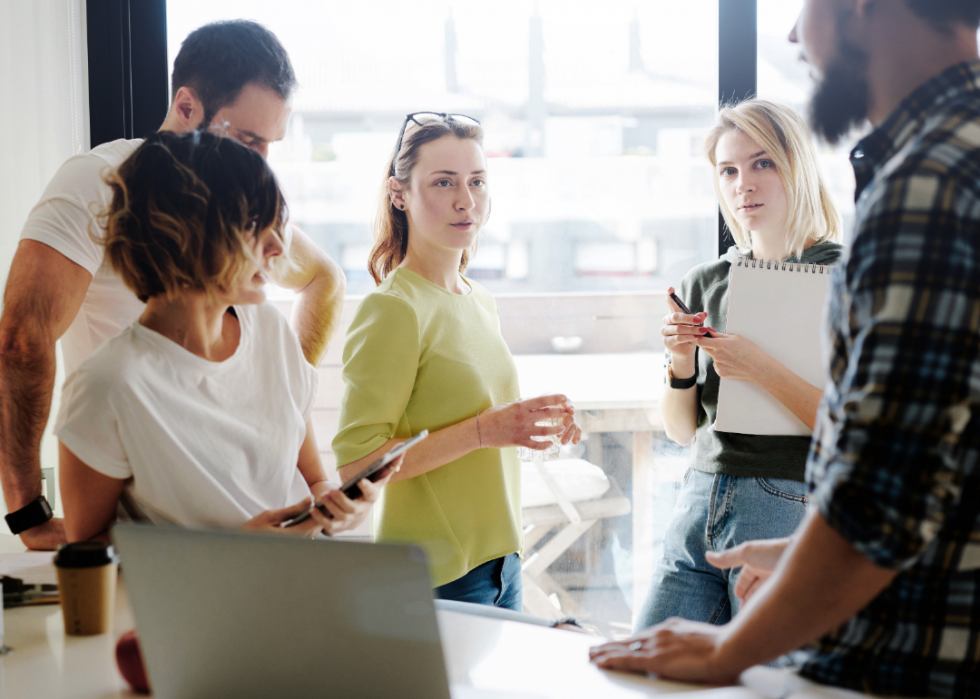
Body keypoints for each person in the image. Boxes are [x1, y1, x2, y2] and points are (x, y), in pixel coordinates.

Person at [591, 1, 980, 695]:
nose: (796, 34)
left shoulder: (928, 182)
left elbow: (884, 486)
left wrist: (727, 651)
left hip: (911, 656)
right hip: (726, 511)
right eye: (729, 170)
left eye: (808, 7)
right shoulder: (949, 157)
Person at [0, 20, 345, 550]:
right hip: (148, 509)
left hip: (271, 526)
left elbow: (325, 278)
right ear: (185, 106)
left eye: (269, 143)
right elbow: (22, 338)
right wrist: (28, 514)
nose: (259, 161)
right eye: (247, 138)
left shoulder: (243, 206)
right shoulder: (100, 180)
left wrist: (273, 390)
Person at [56, 130, 390, 540]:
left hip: (299, 584)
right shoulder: (108, 384)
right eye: (253, 225)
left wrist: (338, 505)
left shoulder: (270, 330)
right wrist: (231, 549)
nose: (277, 248)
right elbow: (87, 546)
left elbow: (314, 480)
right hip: (201, 601)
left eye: (275, 225)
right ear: (185, 234)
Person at [332, 113, 582, 610]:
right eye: (443, 182)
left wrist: (533, 425)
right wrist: (485, 431)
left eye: (477, 181)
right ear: (399, 194)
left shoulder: (478, 298)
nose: (465, 200)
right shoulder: (394, 309)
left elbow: (482, 423)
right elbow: (356, 467)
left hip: (503, 561)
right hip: (437, 575)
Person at [635, 99, 844, 631]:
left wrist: (758, 367)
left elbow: (850, 432)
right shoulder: (704, 281)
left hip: (786, 504)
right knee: (646, 669)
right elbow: (682, 431)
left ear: (795, 166)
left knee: (762, 679)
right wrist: (681, 361)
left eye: (762, 163)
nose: (742, 184)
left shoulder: (847, 279)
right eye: (728, 170)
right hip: (698, 498)